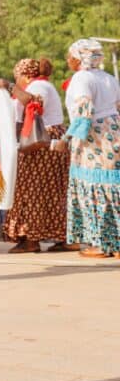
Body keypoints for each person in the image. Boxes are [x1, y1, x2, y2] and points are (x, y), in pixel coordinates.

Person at [0, 58, 72, 253]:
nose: (17, 81)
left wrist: (9, 86)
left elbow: (32, 101)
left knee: (31, 190)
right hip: (45, 143)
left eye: (18, 78)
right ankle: (60, 236)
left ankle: (31, 239)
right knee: (50, 192)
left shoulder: (39, 85)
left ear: (27, 76)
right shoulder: (41, 85)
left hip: (43, 142)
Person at [59, 39, 120, 258]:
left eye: (70, 55)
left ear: (78, 58)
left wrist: (68, 138)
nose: (68, 60)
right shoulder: (109, 78)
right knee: (113, 187)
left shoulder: (81, 78)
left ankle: (102, 244)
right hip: (114, 132)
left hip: (93, 136)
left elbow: (84, 109)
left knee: (93, 187)